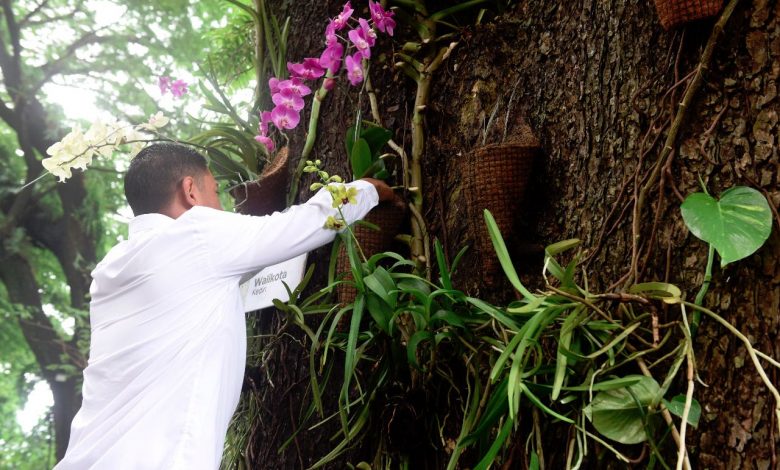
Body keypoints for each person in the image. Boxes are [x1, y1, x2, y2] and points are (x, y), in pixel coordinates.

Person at [54, 143, 393, 469]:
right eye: (215, 192)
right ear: (190, 191)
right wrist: (367, 191)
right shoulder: (196, 235)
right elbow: (307, 225)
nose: (220, 207)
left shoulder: (110, 272)